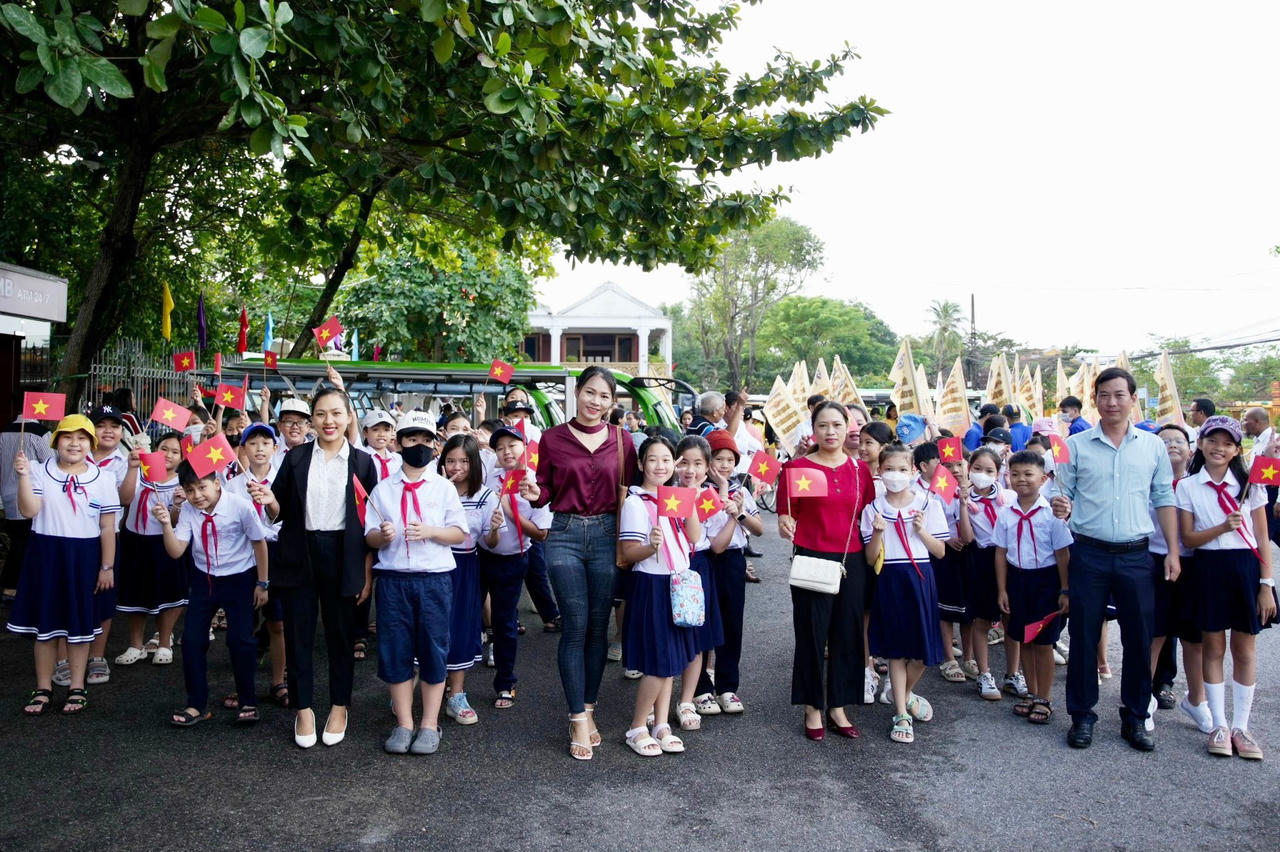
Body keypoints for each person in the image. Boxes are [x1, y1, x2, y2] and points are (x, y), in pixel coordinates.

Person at [1052, 367, 1177, 751]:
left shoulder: (1152, 447)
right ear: (1095, 400)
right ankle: (1082, 716)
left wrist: (1173, 550)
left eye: (1119, 395)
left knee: (1140, 638)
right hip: (1088, 553)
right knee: (1085, 635)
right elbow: (1062, 493)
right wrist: (1061, 505)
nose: (1111, 402)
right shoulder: (1075, 446)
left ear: (1133, 399)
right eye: (1104, 395)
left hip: (1137, 556)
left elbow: (1165, 499)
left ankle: (1136, 716)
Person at [248, 387, 378, 749]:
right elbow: (280, 513)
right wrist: (270, 501)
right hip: (298, 552)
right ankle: (303, 710)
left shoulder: (364, 463)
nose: (328, 421)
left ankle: (339, 707)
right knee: (297, 635)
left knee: (341, 636)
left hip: (343, 554)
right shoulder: (295, 458)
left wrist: (366, 571)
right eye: (320, 414)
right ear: (312, 420)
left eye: (336, 413)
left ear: (349, 417)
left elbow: (369, 524)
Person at [530, 365, 638, 760]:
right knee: (574, 625)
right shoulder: (552, 438)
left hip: (609, 535)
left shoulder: (623, 441)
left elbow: (640, 489)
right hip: (564, 535)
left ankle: (589, 707)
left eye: (604, 396)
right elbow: (544, 491)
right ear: (577, 392)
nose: (596, 402)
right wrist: (532, 491)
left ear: (612, 402)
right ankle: (576, 717)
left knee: (599, 627)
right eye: (590, 392)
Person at [364, 413, 467, 755]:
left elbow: (459, 533)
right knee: (395, 651)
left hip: (434, 579)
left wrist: (430, 531)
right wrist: (383, 534)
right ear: (399, 442)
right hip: (394, 581)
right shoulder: (382, 489)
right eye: (411, 439)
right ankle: (404, 722)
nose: (418, 446)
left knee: (434, 649)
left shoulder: (444, 488)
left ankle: (429, 723)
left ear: (434, 444)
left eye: (425, 439)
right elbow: (370, 537)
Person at [1175, 415, 1276, 759]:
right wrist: (1221, 527)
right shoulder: (1187, 486)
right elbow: (1187, 537)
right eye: (1212, 441)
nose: (1219, 448)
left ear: (1236, 450)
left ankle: (1241, 727)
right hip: (1207, 569)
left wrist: (1266, 584)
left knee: (1245, 649)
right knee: (1213, 646)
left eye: (1228, 443)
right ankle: (1218, 724)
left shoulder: (1251, 483)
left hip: (1245, 569)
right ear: (1201, 444)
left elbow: (1262, 538)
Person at [7, 415, 120, 715]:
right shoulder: (39, 470)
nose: (74, 443)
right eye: (68, 437)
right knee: (45, 628)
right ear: (56, 441)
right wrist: (22, 477)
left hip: (83, 557)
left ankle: (77, 687)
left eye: (83, 438)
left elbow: (107, 527)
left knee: (80, 626)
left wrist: (106, 566)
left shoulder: (103, 479)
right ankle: (43, 687)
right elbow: (29, 509)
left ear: (91, 444)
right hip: (46, 554)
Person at [777, 401, 876, 740]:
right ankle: (812, 706)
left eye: (836, 425)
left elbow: (868, 512)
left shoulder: (860, 470)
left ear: (847, 427)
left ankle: (838, 705)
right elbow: (786, 513)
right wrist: (786, 521)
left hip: (852, 561)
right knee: (811, 634)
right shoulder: (798, 468)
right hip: (812, 558)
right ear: (813, 429)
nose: (830, 432)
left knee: (848, 635)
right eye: (823, 426)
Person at [154, 459, 268, 726]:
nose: (197, 496)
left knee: (240, 641)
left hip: (239, 578)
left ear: (217, 483)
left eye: (202, 487)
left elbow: (259, 543)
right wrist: (165, 525)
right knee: (192, 641)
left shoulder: (239, 506)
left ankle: (247, 700)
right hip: (204, 578)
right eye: (190, 490)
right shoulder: (189, 511)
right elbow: (176, 550)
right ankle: (196, 704)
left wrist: (263, 583)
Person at [863, 441, 948, 744]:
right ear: (879, 471)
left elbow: (939, 552)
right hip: (890, 579)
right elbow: (871, 558)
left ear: (913, 470)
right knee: (897, 651)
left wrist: (921, 530)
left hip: (920, 577)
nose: (895, 475)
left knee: (924, 652)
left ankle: (906, 693)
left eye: (902, 469)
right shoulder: (873, 508)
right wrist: (876, 532)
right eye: (889, 469)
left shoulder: (928, 503)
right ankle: (901, 712)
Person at [994, 450, 1072, 726]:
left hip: (1046, 582)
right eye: (1015, 474)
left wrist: (1064, 589)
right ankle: (1030, 691)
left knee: (1043, 643)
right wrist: (1002, 590)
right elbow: (1001, 553)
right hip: (1017, 581)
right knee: (1023, 639)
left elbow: (1063, 554)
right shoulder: (1006, 513)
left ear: (1043, 478)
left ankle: (1044, 697)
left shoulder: (1052, 514)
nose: (1021, 480)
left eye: (1028, 474)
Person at [692, 428, 764, 713]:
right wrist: (723, 499)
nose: (724, 465)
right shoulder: (699, 492)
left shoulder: (741, 489)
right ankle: (700, 689)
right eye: (718, 458)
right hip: (705, 560)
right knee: (703, 622)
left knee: (732, 623)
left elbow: (758, 529)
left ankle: (727, 687)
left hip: (734, 561)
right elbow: (713, 542)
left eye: (729, 459)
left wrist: (739, 511)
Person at [480, 424, 550, 710]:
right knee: (466, 616)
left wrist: (512, 515)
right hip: (479, 554)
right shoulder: (487, 475)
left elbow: (541, 533)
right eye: (499, 447)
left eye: (512, 445)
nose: (506, 452)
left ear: (525, 447)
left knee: (505, 622)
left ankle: (506, 683)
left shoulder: (536, 483)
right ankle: (451, 683)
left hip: (513, 560)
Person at [1147, 424, 1209, 733]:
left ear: (1191, 448)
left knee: (1193, 638)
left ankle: (1197, 700)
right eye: (1164, 441)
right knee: (1155, 634)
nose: (1172, 445)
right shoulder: (1145, 483)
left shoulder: (1200, 484)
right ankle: (1143, 698)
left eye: (1178, 440)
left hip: (1194, 564)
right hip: (1154, 561)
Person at [438, 434, 504, 726]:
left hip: (465, 567)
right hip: (434, 566)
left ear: (475, 463)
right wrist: (442, 491)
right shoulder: (432, 489)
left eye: (464, 461)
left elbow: (490, 543)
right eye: (451, 460)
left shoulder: (485, 496)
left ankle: (457, 693)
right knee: (429, 626)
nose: (457, 467)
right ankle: (421, 686)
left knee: (462, 628)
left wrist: (494, 529)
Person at [223, 423, 289, 707]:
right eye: (253, 443)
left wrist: (270, 502)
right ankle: (244, 686)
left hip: (277, 552)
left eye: (265, 443)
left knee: (277, 623)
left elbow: (286, 516)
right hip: (244, 554)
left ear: (275, 449)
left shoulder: (285, 478)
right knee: (244, 625)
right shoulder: (233, 485)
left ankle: (278, 681)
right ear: (243, 449)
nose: (259, 448)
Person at [114, 431, 187, 667]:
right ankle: (136, 644)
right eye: (164, 448)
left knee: (168, 594)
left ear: (181, 458)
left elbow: (178, 522)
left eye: (175, 452)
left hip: (165, 543)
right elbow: (124, 499)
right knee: (136, 595)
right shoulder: (140, 474)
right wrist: (133, 468)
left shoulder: (182, 484)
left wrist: (176, 505)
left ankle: (164, 643)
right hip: (135, 541)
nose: (168, 455)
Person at [963, 446, 1023, 701]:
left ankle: (1013, 674)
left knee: (1012, 619)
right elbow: (967, 538)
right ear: (969, 470)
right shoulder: (963, 498)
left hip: (1010, 558)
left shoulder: (1009, 497)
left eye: (989, 470)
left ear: (999, 473)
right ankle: (985, 674)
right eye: (977, 469)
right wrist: (962, 503)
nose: (982, 475)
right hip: (982, 558)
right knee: (983, 619)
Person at [673, 434, 723, 728]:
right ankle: (659, 700)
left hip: (698, 567)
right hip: (668, 566)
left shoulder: (708, 498)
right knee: (668, 634)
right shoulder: (664, 492)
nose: (690, 471)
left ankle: (686, 700)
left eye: (698, 464)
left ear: (707, 468)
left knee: (697, 638)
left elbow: (716, 542)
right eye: (684, 463)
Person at [83, 405, 131, 687]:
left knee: (104, 594)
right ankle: (65, 658)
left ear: (122, 432)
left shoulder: (124, 461)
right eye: (101, 425)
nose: (108, 431)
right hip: (74, 536)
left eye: (114, 426)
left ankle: (96, 656)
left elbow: (126, 499)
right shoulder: (76, 456)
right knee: (73, 594)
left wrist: (134, 468)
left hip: (108, 537)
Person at [1, 393, 54, 601]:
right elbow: (51, 463)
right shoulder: (41, 433)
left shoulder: (3, 431)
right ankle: (11, 587)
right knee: (23, 542)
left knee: (17, 540)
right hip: (31, 495)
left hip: (7, 494)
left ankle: (13, 585)